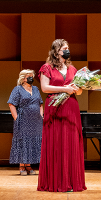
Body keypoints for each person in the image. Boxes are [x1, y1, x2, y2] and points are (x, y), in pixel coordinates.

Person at [37, 39, 86, 192]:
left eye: (68, 48)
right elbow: (45, 88)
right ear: (56, 51)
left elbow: (79, 91)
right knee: (56, 143)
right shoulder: (47, 68)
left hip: (71, 108)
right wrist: (65, 89)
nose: (67, 50)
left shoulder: (72, 68)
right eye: (64, 48)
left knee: (71, 143)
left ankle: (71, 182)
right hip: (55, 108)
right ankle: (56, 182)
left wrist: (76, 89)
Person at [8, 69, 43, 176]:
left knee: (32, 142)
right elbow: (11, 104)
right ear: (23, 78)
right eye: (29, 76)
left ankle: (28, 165)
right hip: (23, 119)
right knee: (23, 141)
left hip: (36, 121)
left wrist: (41, 115)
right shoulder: (17, 89)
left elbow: (40, 103)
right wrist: (16, 118)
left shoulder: (36, 89)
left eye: (32, 75)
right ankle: (22, 166)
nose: (31, 78)